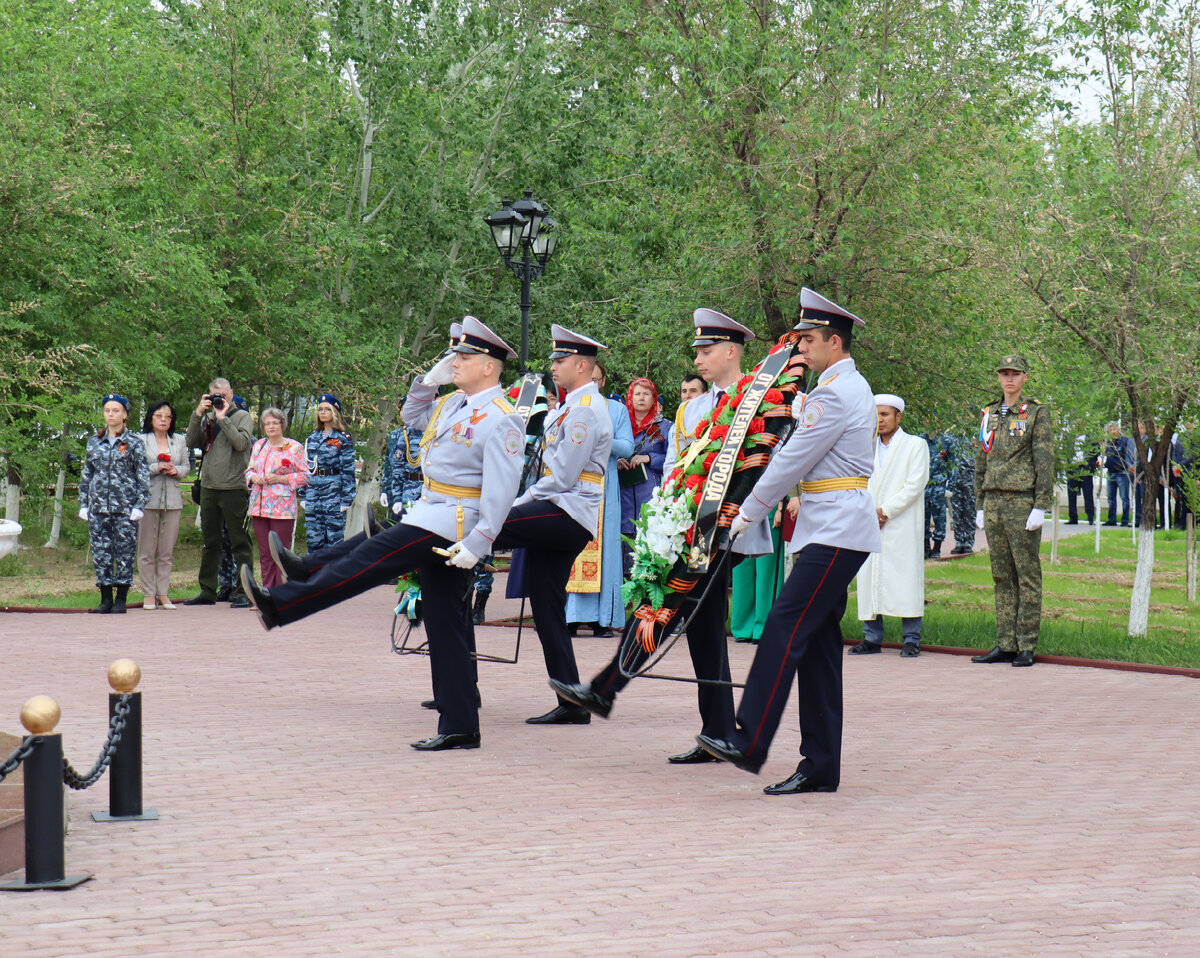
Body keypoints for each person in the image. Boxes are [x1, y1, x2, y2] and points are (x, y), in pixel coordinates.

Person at [241, 316, 526, 752]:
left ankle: (282, 603)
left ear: (489, 366)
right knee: (444, 621)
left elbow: (503, 491)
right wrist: (426, 383)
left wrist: (480, 540)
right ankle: (461, 724)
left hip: (452, 523)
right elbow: (412, 415)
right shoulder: (453, 405)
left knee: (366, 561)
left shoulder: (502, 418)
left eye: (464, 357)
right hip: (431, 510)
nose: (455, 363)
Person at [554, 307, 776, 765]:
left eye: (708, 350)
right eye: (697, 350)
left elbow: (766, 465)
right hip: (684, 529)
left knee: (662, 603)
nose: (699, 358)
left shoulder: (757, 401)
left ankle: (606, 688)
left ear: (732, 351)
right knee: (704, 628)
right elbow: (676, 468)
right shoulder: (693, 408)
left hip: (724, 530)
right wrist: (665, 520)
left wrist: (742, 516)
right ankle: (715, 730)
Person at [695, 287, 879, 795]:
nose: (800, 347)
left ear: (835, 343)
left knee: (783, 623)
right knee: (818, 648)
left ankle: (748, 737)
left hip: (838, 528)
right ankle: (819, 764)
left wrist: (745, 512)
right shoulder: (838, 390)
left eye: (808, 339)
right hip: (833, 524)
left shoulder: (834, 393)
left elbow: (791, 461)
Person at [970, 355, 1054, 668]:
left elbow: (1044, 459)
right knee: (1002, 574)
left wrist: (1041, 504)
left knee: (1027, 574)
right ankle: (1006, 643)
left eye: (1015, 374)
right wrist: (979, 503)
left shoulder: (1036, 412)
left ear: (1024, 377)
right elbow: (982, 459)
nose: (1009, 379)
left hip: (1021, 501)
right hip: (993, 501)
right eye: (1004, 373)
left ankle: (1027, 645)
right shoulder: (989, 412)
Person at [849, 394, 930, 656]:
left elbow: (915, 485)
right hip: (868, 521)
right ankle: (872, 638)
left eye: (885, 414)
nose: (879, 420)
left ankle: (911, 639)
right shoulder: (864, 446)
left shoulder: (915, 445)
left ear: (898, 417)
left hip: (900, 523)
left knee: (905, 579)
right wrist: (866, 511)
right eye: (875, 415)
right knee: (869, 575)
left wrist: (886, 511)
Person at [564, 360, 634, 637]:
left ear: (602, 382)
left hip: (604, 487)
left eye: (596, 379)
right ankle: (570, 615)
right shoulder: (568, 407)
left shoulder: (615, 409)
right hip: (572, 486)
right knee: (572, 547)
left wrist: (599, 440)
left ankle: (601, 618)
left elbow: (627, 447)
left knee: (604, 550)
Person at [185, 377, 255, 608]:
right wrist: (198, 414)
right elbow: (191, 442)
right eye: (214, 396)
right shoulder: (207, 417)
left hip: (234, 488)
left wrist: (223, 418)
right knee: (210, 542)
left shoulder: (242, 416)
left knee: (239, 542)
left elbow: (241, 444)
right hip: (209, 487)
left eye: (222, 396)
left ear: (231, 394)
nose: (218, 400)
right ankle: (207, 591)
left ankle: (244, 591)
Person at [79, 393, 151, 614]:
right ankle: (105, 598)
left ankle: (121, 598)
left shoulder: (133, 444)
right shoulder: (94, 442)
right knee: (101, 553)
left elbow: (143, 476)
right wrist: (84, 503)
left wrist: (140, 504)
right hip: (98, 508)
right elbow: (87, 475)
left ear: (125, 414)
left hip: (125, 509)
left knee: (125, 552)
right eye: (108, 411)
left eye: (116, 410)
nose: (111, 415)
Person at [246, 407, 309, 588]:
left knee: (280, 552)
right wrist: (253, 477)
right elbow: (249, 470)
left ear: (283, 424)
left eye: (275, 423)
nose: (271, 427)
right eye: (267, 423)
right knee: (265, 553)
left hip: (282, 507)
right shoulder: (259, 445)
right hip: (259, 506)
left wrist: (281, 478)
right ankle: (266, 591)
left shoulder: (294, 447)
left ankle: (281, 592)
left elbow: (305, 476)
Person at [137, 400, 190, 610]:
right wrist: (156, 467)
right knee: (147, 550)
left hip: (173, 500)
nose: (163, 420)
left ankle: (163, 592)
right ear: (151, 417)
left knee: (166, 550)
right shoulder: (141, 440)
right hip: (148, 500)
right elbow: (136, 468)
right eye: (159, 416)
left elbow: (187, 466)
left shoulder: (179, 440)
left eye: (168, 417)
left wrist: (177, 470)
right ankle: (148, 594)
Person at [617, 377, 667, 576]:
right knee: (623, 562)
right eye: (637, 394)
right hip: (623, 499)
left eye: (646, 394)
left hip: (650, 497)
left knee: (649, 564)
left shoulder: (664, 427)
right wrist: (617, 461)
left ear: (654, 398)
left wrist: (648, 458)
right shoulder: (620, 426)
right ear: (630, 397)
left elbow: (673, 460)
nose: (641, 398)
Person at [301, 394, 356, 552]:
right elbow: (306, 468)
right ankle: (315, 576)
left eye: (327, 409)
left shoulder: (342, 439)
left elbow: (348, 470)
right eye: (320, 410)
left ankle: (334, 576)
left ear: (335, 413)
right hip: (313, 493)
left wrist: (347, 499)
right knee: (313, 541)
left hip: (333, 494)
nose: (323, 412)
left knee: (334, 543)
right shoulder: (312, 438)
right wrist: (303, 495)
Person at [946, 435, 978, 554]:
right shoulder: (951, 437)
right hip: (955, 479)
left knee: (969, 511)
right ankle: (959, 542)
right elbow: (947, 458)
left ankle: (968, 542)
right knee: (957, 512)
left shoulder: (975, 435)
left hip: (970, 478)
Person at [923, 433, 952, 558]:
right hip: (922, 485)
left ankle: (937, 548)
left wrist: (950, 486)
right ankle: (925, 548)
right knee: (922, 519)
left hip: (939, 486)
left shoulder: (945, 441)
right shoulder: (919, 440)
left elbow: (952, 464)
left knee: (940, 519)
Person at [1102, 421, 1135, 526]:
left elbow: (1128, 456)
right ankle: (1112, 519)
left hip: (1122, 472)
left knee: (1124, 497)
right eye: (1110, 430)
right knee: (1111, 498)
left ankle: (1125, 520)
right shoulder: (1108, 443)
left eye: (1114, 429)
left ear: (1118, 430)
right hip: (1111, 472)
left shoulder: (1124, 441)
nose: (1113, 432)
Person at [666, 374, 707, 458]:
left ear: (705, 394)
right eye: (684, 391)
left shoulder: (709, 414)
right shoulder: (676, 423)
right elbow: (673, 452)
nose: (687, 395)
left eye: (693, 391)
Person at [1065, 432, 1101, 525]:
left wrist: (1091, 462)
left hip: (1085, 469)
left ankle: (1090, 517)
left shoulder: (1091, 437)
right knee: (1071, 493)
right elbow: (1065, 451)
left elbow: (1097, 451)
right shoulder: (1069, 437)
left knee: (1088, 493)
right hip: (1073, 468)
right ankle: (1073, 517)